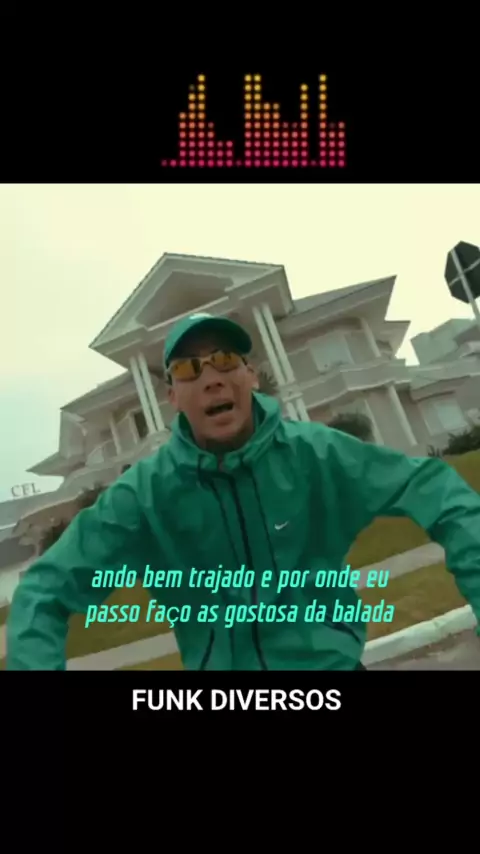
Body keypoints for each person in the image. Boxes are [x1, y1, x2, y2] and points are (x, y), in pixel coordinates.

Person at [7, 312, 480, 670]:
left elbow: (436, 489)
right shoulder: (144, 496)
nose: (212, 377)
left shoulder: (317, 454)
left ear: (250, 375)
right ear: (172, 397)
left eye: (225, 360)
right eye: (189, 369)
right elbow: (44, 591)